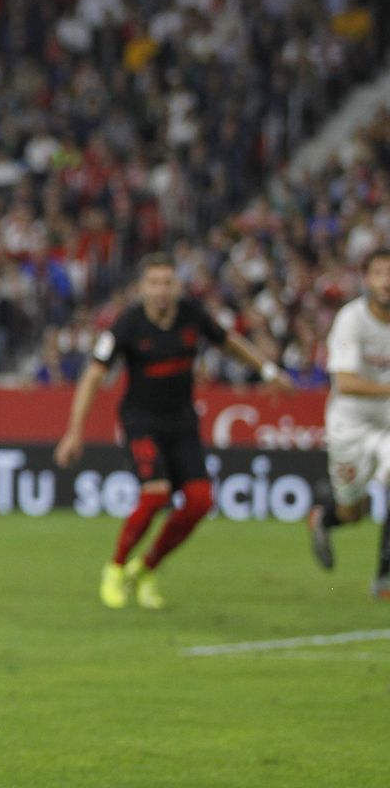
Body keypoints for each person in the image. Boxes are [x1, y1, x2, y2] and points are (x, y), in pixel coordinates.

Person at [56, 253, 292, 608]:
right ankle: (115, 567)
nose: (161, 290)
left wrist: (268, 370)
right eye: (154, 283)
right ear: (142, 288)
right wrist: (75, 432)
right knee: (155, 495)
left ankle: (146, 568)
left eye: (167, 282)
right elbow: (93, 375)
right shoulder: (128, 324)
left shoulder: (192, 315)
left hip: (182, 422)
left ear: (177, 286)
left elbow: (228, 342)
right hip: (141, 422)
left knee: (200, 501)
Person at [307, 249, 390, 596]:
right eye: (380, 273)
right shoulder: (351, 319)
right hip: (351, 425)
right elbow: (346, 382)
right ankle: (324, 518)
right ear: (366, 279)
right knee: (351, 511)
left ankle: (385, 576)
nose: (388, 280)